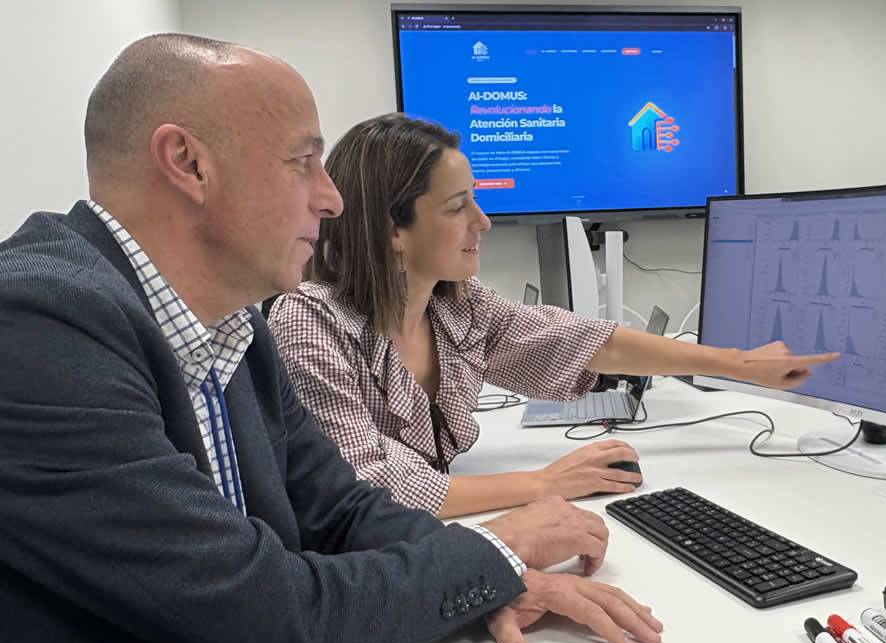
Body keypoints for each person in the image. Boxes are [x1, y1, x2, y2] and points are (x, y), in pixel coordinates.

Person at [0, 34, 660, 643]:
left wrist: (496, 577)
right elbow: (271, 617)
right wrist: (496, 549)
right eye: (302, 162)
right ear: (188, 163)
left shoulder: (232, 323)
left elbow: (339, 510)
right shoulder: (37, 324)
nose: (333, 198)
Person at [268, 112, 839, 518]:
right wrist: (544, 483)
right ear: (393, 229)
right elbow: (367, 487)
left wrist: (740, 364)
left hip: (427, 534)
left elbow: (590, 343)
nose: (483, 221)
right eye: (457, 206)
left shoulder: (455, 307)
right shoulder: (309, 324)